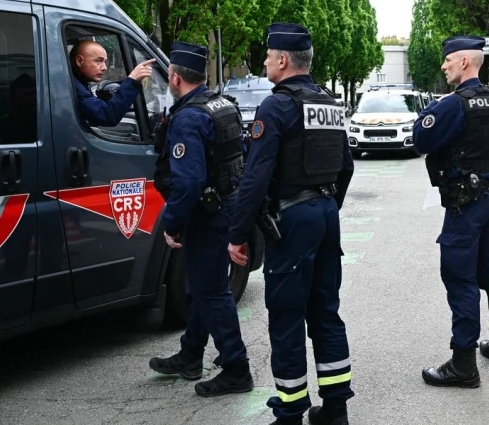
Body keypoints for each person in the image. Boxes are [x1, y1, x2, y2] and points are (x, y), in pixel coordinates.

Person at [227, 23, 355, 425]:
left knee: (286, 316)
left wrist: (237, 234)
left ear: (283, 60)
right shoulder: (329, 103)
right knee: (326, 311)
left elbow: (255, 176)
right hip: (325, 213)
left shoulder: (276, 106)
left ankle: (290, 412)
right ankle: (335, 409)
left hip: (292, 218)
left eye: (268, 56)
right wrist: (326, 207)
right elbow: (346, 166)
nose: (264, 62)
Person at [413, 36, 489, 389]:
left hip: (464, 201)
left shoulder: (454, 104)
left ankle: (463, 363)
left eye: (448, 60)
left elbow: (421, 139)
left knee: (460, 278)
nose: (444, 66)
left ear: (464, 62)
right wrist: (487, 150)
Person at [148, 42, 253, 397]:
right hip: (227, 204)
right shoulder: (223, 105)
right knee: (201, 286)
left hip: (207, 214)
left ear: (175, 78)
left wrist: (172, 223)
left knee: (211, 291)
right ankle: (191, 354)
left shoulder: (189, 118)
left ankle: (236, 368)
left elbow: (188, 182)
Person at [70, 39, 155, 127]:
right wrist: (132, 81)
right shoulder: (73, 87)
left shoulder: (75, 81)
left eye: (105, 61)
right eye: (98, 61)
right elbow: (106, 115)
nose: (104, 67)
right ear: (79, 61)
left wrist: (132, 81)